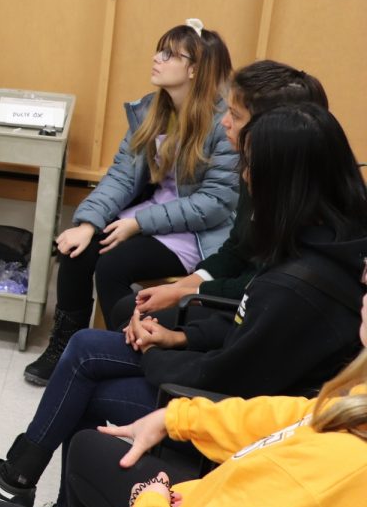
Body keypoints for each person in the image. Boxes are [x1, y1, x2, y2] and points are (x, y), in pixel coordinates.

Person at [0, 103, 367, 507]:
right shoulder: (321, 240)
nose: (244, 176)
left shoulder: (296, 285)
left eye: (251, 166)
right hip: (229, 375)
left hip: (225, 405)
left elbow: (228, 376)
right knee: (88, 344)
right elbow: (249, 331)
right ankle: (26, 486)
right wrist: (178, 335)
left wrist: (157, 351)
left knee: (89, 399)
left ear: (283, 182)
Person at [0, 252, 367, 507]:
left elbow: (232, 370)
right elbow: (286, 413)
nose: (362, 282)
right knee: (86, 429)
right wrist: (176, 416)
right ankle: (26, 487)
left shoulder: (337, 472)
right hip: (196, 502)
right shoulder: (354, 405)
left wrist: (149, 502)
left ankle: (19, 483)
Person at [24, 20, 238, 385]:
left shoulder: (223, 124)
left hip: (194, 232)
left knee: (112, 265)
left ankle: (124, 353)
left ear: (194, 69)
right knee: (79, 248)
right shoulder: (153, 110)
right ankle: (65, 342)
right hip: (149, 216)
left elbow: (213, 204)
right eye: (159, 50)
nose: (157, 58)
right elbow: (122, 176)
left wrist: (138, 224)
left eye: (169, 54)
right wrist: (88, 223)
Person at [105, 60, 329, 329]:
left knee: (121, 327)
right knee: (126, 308)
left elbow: (261, 284)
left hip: (252, 318)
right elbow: (236, 249)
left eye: (235, 115)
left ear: (273, 127)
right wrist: (186, 285)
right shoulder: (253, 173)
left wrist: (188, 293)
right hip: (236, 298)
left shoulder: (304, 203)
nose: (224, 122)